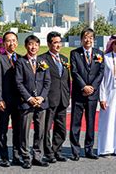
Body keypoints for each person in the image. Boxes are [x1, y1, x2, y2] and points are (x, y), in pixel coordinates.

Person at [15, 35, 51, 169]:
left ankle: (37, 156)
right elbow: (18, 83)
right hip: (26, 102)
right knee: (24, 131)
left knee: (40, 130)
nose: (33, 47)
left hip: (41, 102)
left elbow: (47, 82)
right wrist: (29, 98)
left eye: (36, 44)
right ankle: (25, 156)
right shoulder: (21, 62)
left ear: (39, 46)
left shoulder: (43, 61)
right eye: (30, 44)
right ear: (26, 46)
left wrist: (41, 97)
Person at [69, 27, 105, 160]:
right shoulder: (75, 53)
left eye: (90, 37)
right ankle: (75, 151)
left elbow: (101, 72)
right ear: (81, 39)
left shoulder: (99, 54)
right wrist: (84, 86)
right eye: (85, 37)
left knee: (90, 123)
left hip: (92, 95)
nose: (88, 40)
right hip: (79, 93)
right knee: (75, 123)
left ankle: (89, 149)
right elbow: (74, 72)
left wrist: (92, 87)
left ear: (94, 40)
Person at [41, 31, 70, 163]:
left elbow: (67, 79)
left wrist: (68, 95)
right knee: (47, 128)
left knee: (61, 128)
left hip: (63, 98)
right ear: (48, 44)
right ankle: (48, 153)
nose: (58, 45)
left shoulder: (64, 59)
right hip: (49, 99)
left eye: (59, 42)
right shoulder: (42, 59)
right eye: (55, 42)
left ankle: (57, 150)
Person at [0, 31, 22, 167]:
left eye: (14, 40)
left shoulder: (22, 59)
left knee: (18, 130)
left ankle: (17, 156)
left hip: (19, 101)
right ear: (4, 44)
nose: (12, 43)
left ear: (17, 42)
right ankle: (4, 157)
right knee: (3, 130)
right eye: (9, 41)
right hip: (4, 100)